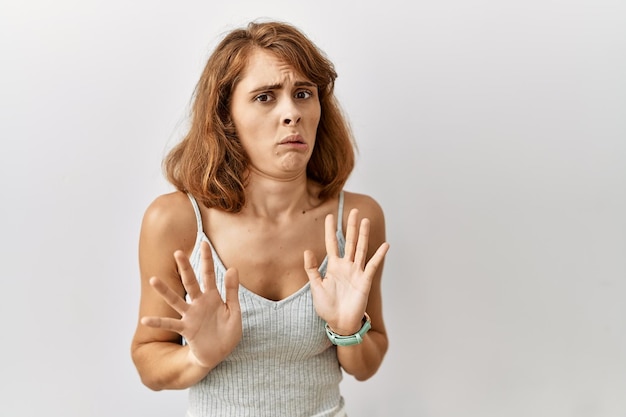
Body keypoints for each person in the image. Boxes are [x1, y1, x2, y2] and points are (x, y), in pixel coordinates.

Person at [130, 19, 390, 417]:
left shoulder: (355, 218)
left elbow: (367, 365)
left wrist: (348, 329)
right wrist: (199, 356)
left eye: (304, 93)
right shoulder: (175, 221)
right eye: (266, 97)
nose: (292, 113)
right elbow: (149, 360)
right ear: (226, 116)